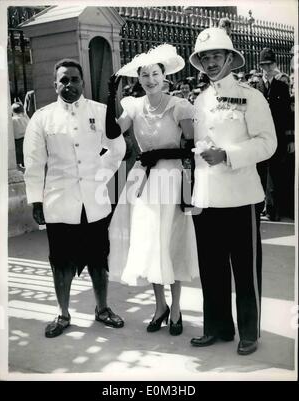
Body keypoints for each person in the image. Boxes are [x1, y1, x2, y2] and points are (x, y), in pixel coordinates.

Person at [189, 26, 277, 355]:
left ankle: (250, 332)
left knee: (244, 269)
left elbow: (269, 143)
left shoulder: (251, 97)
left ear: (229, 59)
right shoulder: (199, 99)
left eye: (216, 56)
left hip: (242, 196)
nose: (210, 63)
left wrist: (227, 155)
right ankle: (217, 326)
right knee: (211, 269)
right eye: (205, 58)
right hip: (207, 198)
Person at [23, 58, 126, 338]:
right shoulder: (42, 118)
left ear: (82, 82)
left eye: (74, 79)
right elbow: (33, 163)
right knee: (61, 261)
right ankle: (63, 313)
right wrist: (36, 200)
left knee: (98, 258)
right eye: (63, 80)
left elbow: (118, 148)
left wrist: (100, 174)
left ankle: (102, 308)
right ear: (54, 84)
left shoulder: (100, 111)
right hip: (60, 203)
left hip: (94, 201)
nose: (69, 85)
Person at [105, 44, 199, 336]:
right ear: (139, 78)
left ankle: (177, 309)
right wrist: (111, 97)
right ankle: (159, 306)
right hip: (144, 182)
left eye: (155, 74)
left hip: (172, 180)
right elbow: (112, 132)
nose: (150, 80)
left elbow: (190, 149)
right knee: (150, 244)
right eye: (144, 75)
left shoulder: (179, 106)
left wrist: (159, 154)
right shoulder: (134, 106)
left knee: (172, 243)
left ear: (164, 75)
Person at [256, 48, 291, 221]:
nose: (267, 68)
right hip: (259, 136)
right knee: (261, 171)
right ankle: (261, 206)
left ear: (275, 65)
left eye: (270, 64)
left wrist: (289, 138)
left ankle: (272, 209)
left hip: (277, 136)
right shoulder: (255, 88)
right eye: (264, 65)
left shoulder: (282, 87)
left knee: (275, 172)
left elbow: (287, 115)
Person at [11, 102, 30, 167]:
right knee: (25, 154)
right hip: (26, 139)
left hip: (18, 141)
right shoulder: (26, 118)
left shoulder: (12, 120)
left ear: (13, 112)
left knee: (19, 154)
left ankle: (20, 165)